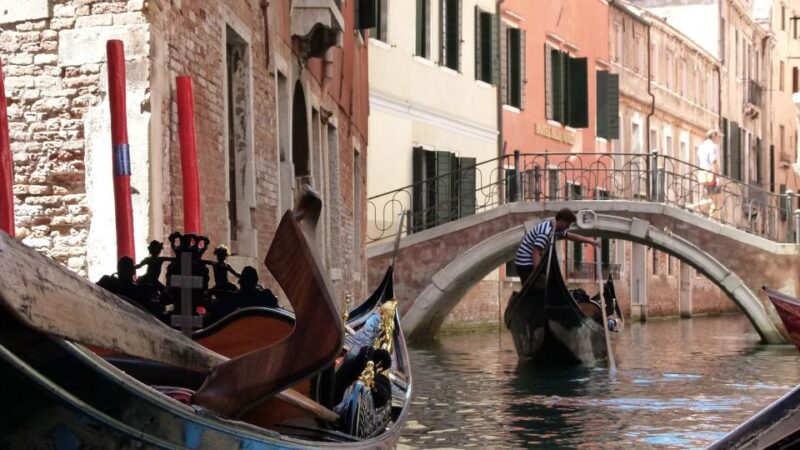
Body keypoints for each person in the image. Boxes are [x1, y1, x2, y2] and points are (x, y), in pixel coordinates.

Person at [514, 208, 599, 284]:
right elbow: (536, 251)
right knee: (541, 286)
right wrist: (538, 272)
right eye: (567, 224)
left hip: (532, 260)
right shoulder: (546, 232)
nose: (568, 227)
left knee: (551, 280)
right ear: (561, 220)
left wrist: (591, 241)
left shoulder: (555, 228)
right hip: (524, 263)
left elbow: (570, 236)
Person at [696, 129, 722, 217]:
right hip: (710, 174)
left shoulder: (701, 146)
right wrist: (717, 177)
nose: (719, 139)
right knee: (716, 201)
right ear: (714, 136)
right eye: (718, 136)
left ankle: (700, 213)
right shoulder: (713, 146)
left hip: (702, 174)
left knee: (705, 197)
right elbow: (713, 162)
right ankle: (713, 220)